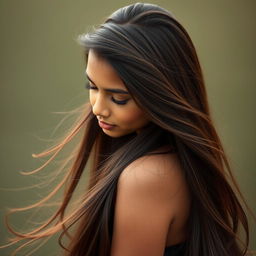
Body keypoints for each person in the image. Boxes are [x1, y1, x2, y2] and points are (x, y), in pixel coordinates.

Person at [2, 2, 252, 256]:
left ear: (161, 94)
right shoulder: (174, 163)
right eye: (92, 87)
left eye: (119, 98)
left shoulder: (146, 177)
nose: (98, 108)